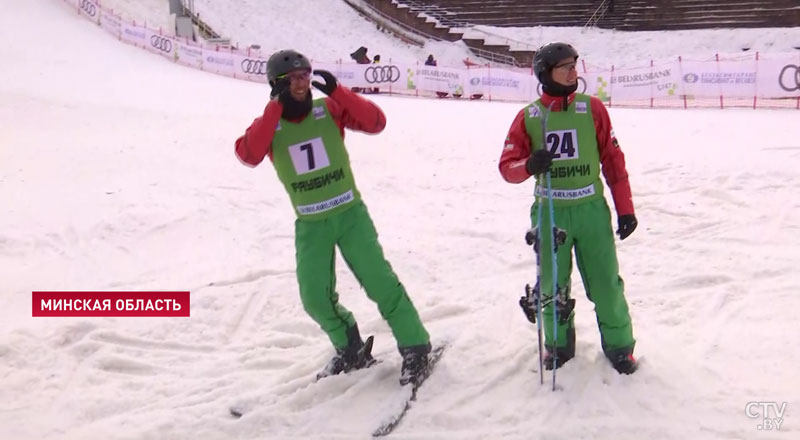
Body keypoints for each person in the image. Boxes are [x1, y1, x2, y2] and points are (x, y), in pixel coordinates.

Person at [234, 49, 433, 385]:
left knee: (380, 283)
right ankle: (349, 347)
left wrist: (338, 91)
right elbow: (248, 154)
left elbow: (376, 122)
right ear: (278, 84)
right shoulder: (270, 126)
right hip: (311, 224)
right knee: (314, 297)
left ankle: (416, 346)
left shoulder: (328, 109)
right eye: (293, 79)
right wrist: (274, 109)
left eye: (305, 76)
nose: (301, 84)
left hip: (349, 214)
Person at [498, 42, 639, 375]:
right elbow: (507, 166)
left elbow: (613, 161)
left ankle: (620, 347)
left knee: (606, 282)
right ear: (546, 74)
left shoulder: (593, 109)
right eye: (566, 67)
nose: (574, 72)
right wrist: (529, 165)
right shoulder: (529, 116)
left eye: (575, 65)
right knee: (551, 284)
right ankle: (559, 345)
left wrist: (626, 209)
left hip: (591, 210)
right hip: (550, 212)